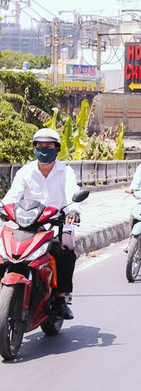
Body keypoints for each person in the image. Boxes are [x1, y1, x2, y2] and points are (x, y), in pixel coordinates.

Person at [2, 129, 82, 319]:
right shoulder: (26, 171)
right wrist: (3, 208)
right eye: (40, 147)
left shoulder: (66, 171)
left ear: (57, 149)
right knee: (4, 252)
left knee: (66, 249)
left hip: (57, 223)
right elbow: (12, 196)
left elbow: (73, 193)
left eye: (48, 147)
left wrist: (73, 211)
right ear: (34, 149)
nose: (44, 150)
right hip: (27, 224)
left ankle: (61, 298)